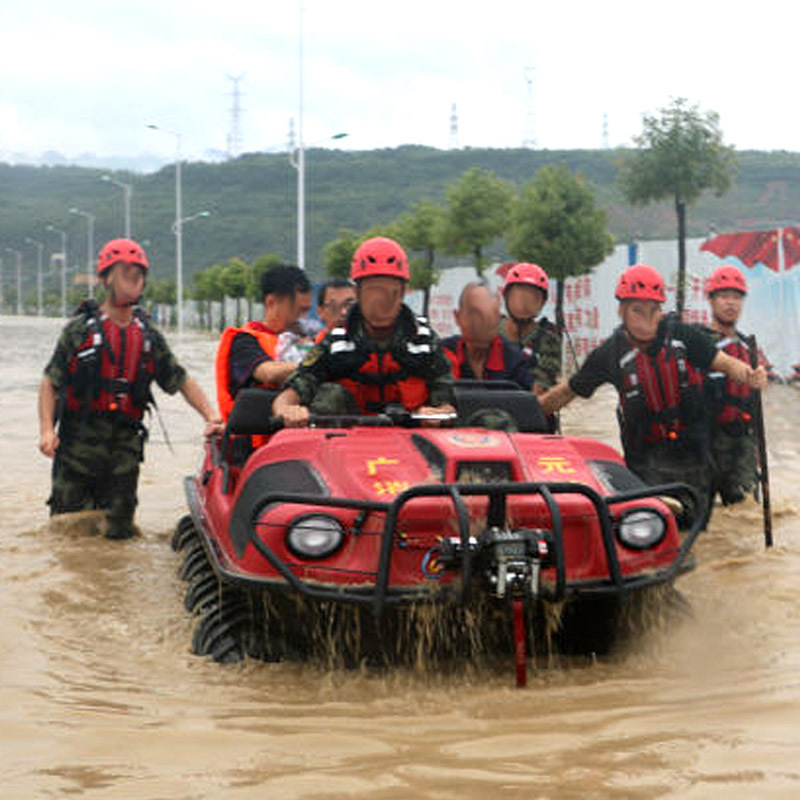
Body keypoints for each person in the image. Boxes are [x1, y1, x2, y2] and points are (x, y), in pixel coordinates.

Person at [538, 264, 767, 526]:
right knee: (652, 532)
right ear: (621, 310)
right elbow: (568, 391)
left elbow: (726, 364)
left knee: (701, 541)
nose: (646, 319)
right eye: (637, 310)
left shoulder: (684, 336)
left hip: (693, 459)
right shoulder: (609, 354)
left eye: (653, 310)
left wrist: (749, 375)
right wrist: (533, 411)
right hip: (645, 463)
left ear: (660, 311)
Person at [38, 238, 223, 540]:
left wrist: (211, 415)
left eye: (139, 273)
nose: (134, 279)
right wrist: (47, 430)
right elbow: (50, 382)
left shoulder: (148, 337)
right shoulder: (79, 330)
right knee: (67, 537)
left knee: (119, 540)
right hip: (76, 453)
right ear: (106, 278)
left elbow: (181, 380)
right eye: (126, 272)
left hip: (123, 455)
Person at [273, 236, 456, 426]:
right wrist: (287, 410)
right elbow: (293, 390)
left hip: (413, 444)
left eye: (389, 291)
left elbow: (448, 403)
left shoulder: (424, 340)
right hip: (346, 445)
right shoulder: (337, 341)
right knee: (330, 395)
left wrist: (437, 414)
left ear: (403, 292)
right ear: (358, 293)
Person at [215, 265, 311, 420]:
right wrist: (321, 366)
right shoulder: (244, 341)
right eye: (299, 311)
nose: (304, 318)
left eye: (307, 311)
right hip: (259, 439)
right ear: (271, 302)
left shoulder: (308, 341)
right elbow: (269, 373)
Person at [699, 264, 759, 506]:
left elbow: (757, 399)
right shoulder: (698, 343)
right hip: (705, 441)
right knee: (698, 514)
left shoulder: (748, 347)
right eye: (724, 296)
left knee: (744, 512)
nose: (730, 303)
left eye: (736, 297)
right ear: (711, 300)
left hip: (742, 444)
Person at [442, 281, 533, 389]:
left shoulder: (516, 360)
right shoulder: (441, 354)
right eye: (475, 316)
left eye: (489, 317)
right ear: (458, 317)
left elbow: (527, 402)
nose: (482, 325)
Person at [499, 262, 562, 395]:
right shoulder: (486, 330)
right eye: (518, 297)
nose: (523, 304)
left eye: (532, 298)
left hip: (528, 408)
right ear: (505, 296)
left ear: (542, 303)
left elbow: (541, 385)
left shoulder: (548, 339)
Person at [314, 277, 357, 344]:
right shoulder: (317, 350)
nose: (344, 312)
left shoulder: (373, 346)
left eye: (349, 305)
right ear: (320, 312)